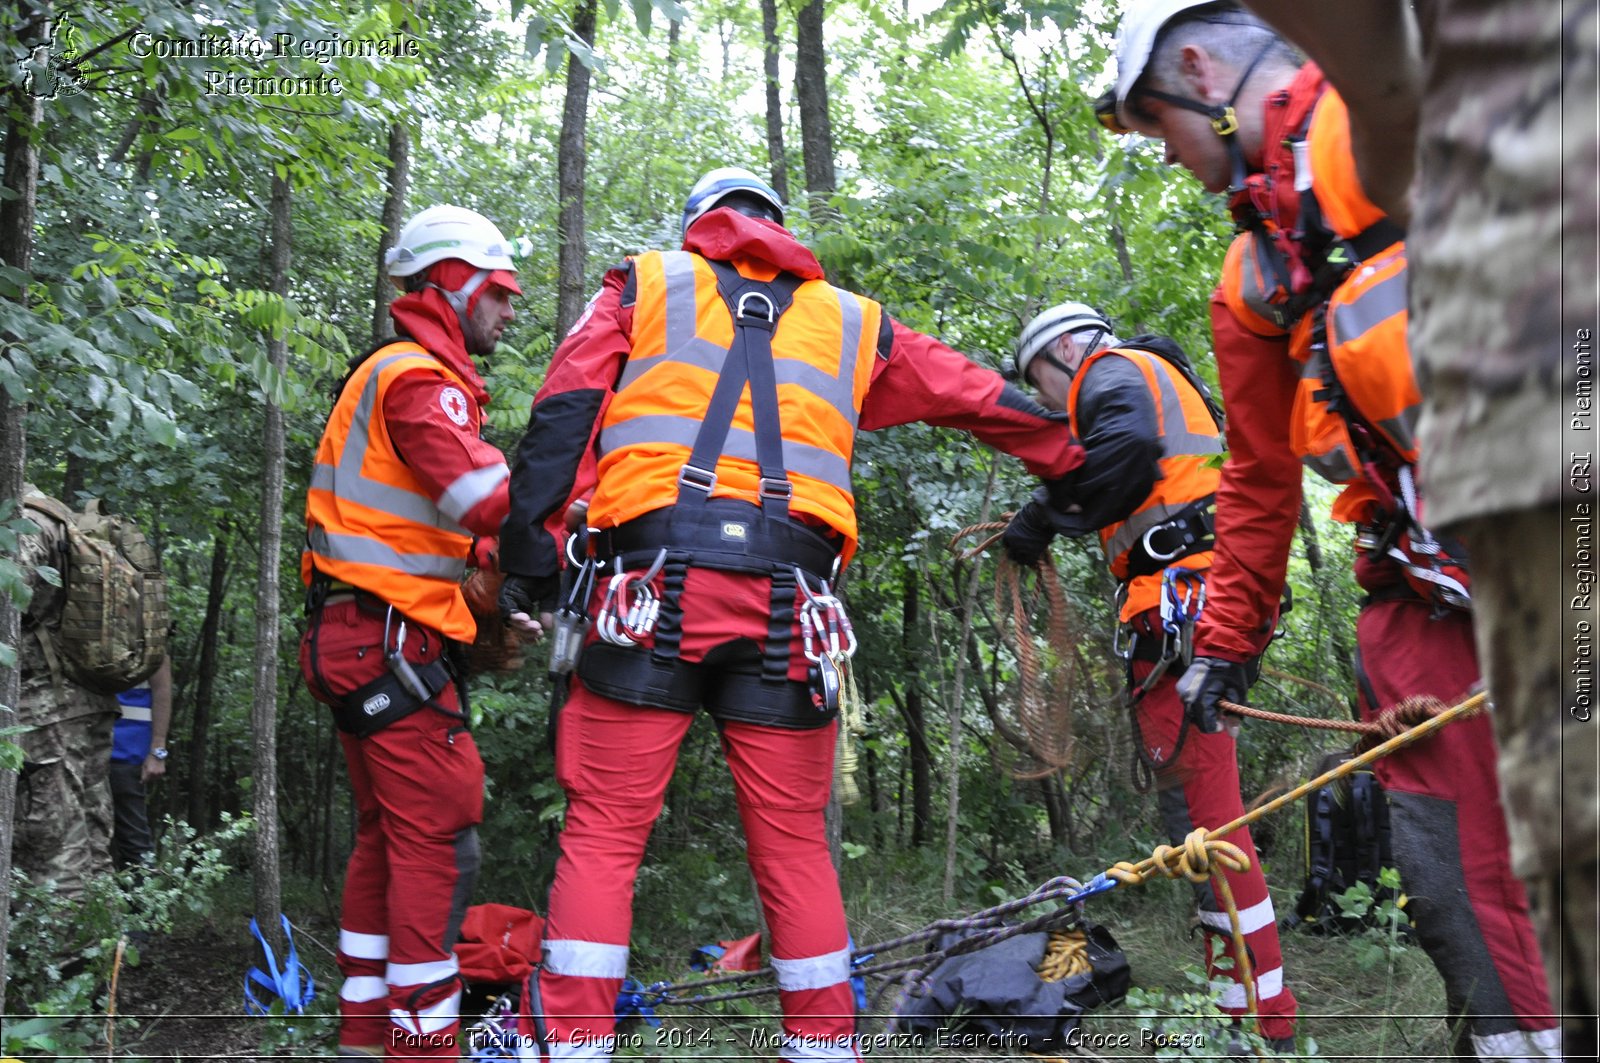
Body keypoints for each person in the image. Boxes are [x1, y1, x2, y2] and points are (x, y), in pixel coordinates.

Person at [496, 166, 1084, 1062]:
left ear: (698, 224)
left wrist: (531, 558)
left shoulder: (643, 283)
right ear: (778, 225)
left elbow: (565, 408)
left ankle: (573, 1045)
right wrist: (1078, 453)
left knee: (607, 831)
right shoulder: (852, 322)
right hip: (791, 606)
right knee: (796, 843)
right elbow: (975, 394)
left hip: (647, 593)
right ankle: (823, 1049)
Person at [1097, 3, 1562, 1059]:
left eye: (1155, 127)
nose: (1168, 159)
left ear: (1202, 70)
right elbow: (1259, 478)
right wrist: (1223, 642)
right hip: (1426, 598)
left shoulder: (1395, 104)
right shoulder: (1254, 277)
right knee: (1452, 877)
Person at [1000, 303, 1297, 1052]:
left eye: (1038, 375)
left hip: (1184, 608)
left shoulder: (1113, 371)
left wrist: (1044, 514)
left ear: (1066, 348)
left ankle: (1263, 1021)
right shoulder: (1150, 378)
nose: (1042, 397)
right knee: (1195, 822)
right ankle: (1239, 1001)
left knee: (1211, 822)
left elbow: (1125, 447)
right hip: (1190, 604)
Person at [299, 204, 523, 1058]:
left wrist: (492, 596)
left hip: (362, 637)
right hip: (386, 643)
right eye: (500, 291)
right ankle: (423, 1048)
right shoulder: (416, 379)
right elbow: (486, 501)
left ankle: (366, 1035)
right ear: (454, 284)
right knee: (440, 842)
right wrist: (585, 496)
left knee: (389, 840)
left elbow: (437, 535)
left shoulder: (401, 374)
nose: (511, 307)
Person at [10, 484, 118, 900]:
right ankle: (103, 953)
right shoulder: (58, 514)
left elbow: (11, 597)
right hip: (88, 699)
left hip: (46, 710)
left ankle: (65, 960)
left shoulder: (23, 522)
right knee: (92, 838)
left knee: (56, 846)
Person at [109, 654, 172, 871]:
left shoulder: (147, 632)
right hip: (79, 751)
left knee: (133, 842)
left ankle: (144, 903)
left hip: (127, 753)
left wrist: (157, 752)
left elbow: (162, 690)